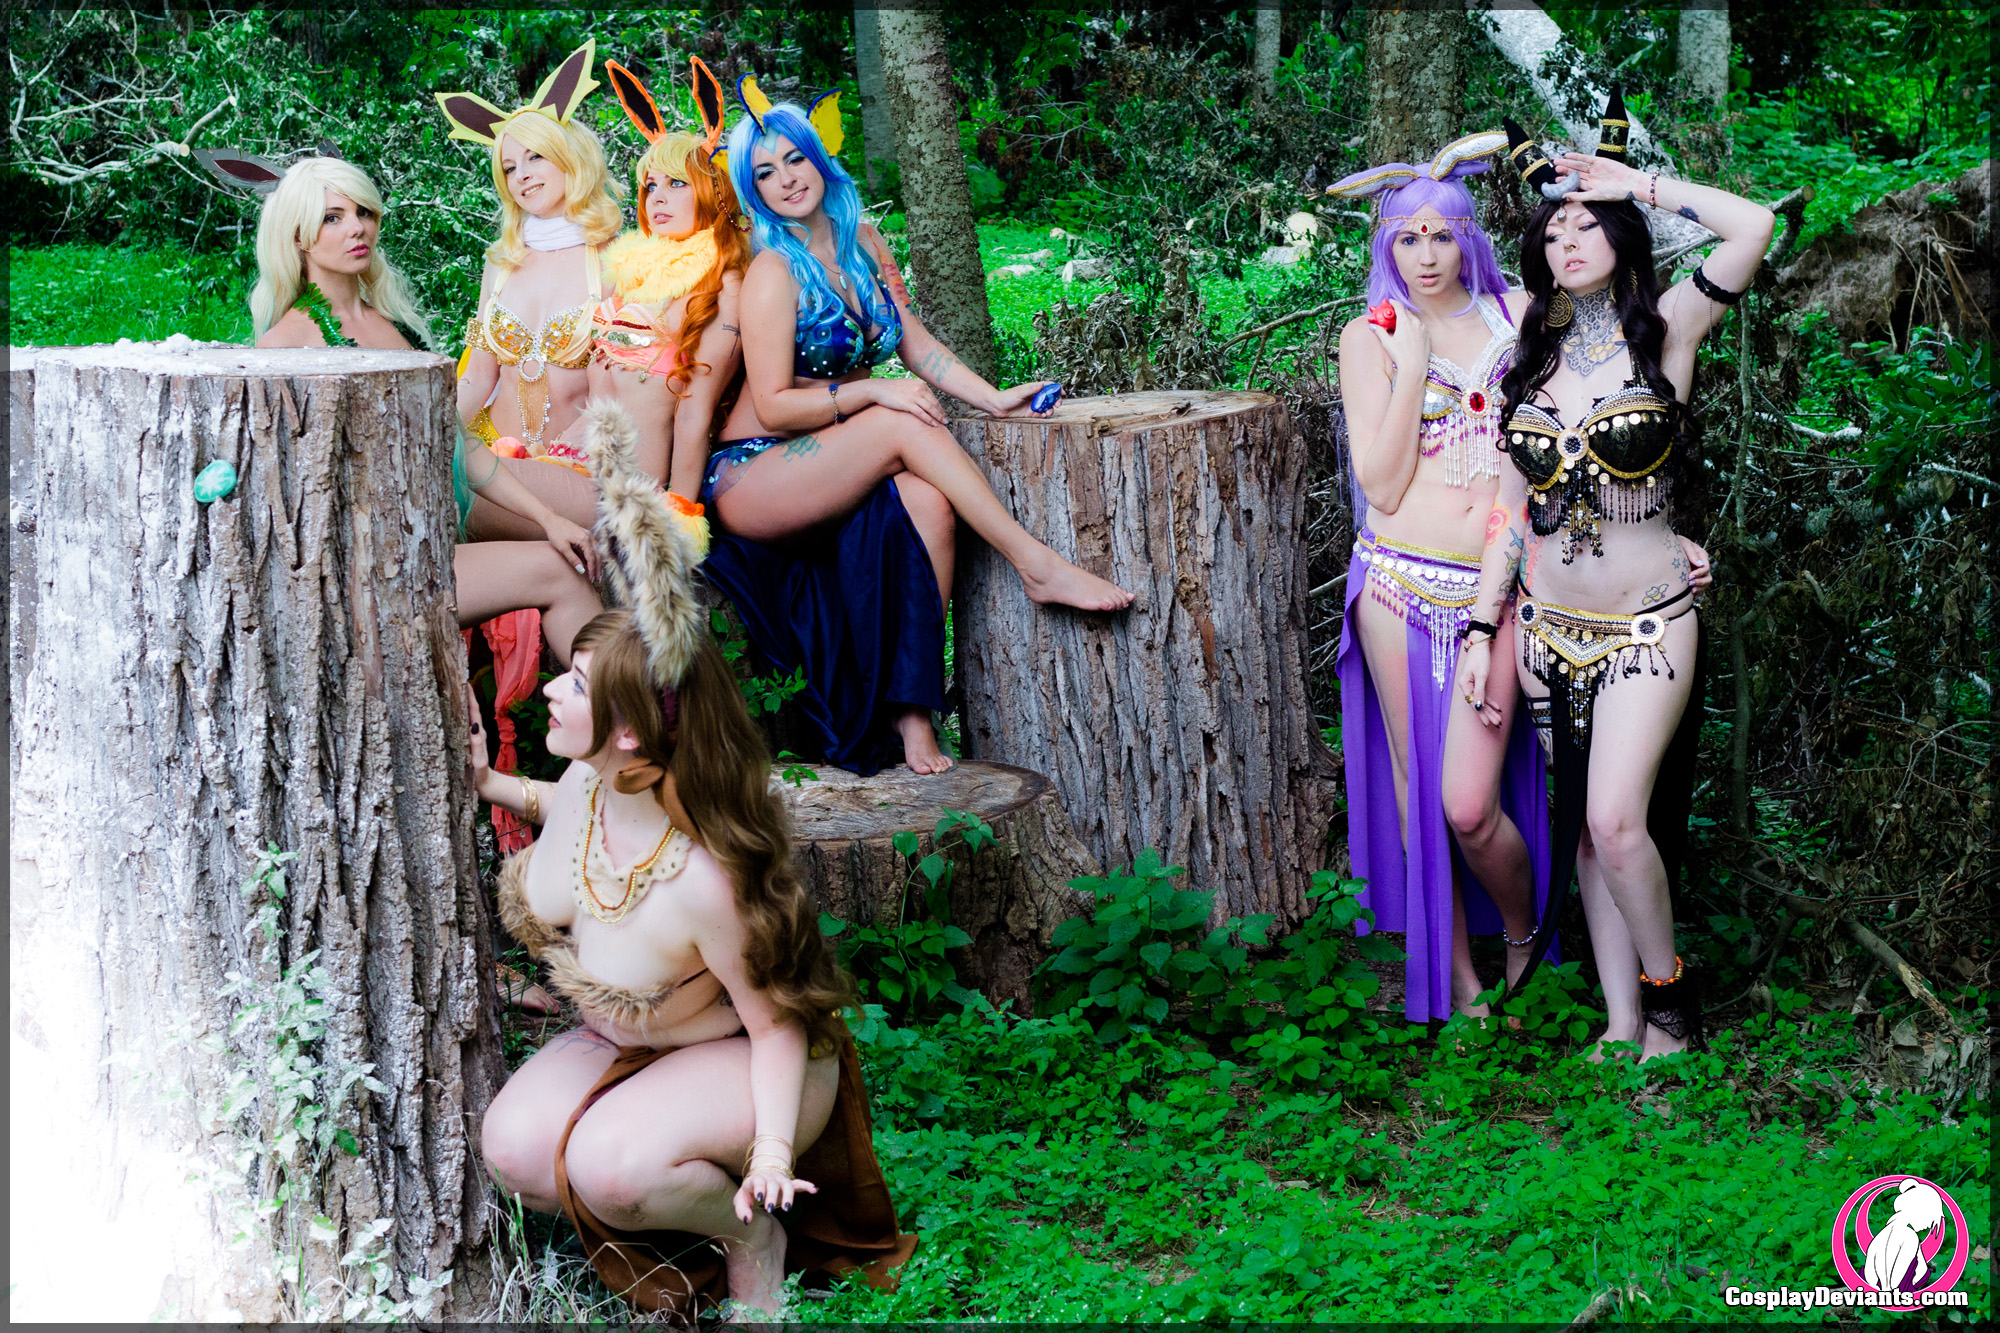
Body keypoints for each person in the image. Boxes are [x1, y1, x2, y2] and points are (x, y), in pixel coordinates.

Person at [473, 399, 917, 1318]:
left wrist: (771, 1155)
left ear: (631, 735)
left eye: (575, 683)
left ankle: (753, 1235)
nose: (551, 687)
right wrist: (494, 786)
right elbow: (572, 814)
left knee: (612, 1167)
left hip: (744, 1059)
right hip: (624, 1042)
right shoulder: (594, 778)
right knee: (514, 1151)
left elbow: (777, 1026)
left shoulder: (703, 879)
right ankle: (661, 1212)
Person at [1458, 90, 1769, 1060]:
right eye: (1553, 230)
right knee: (1587, 836)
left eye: (1587, 224)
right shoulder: (1529, 355)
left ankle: (1670, 1005)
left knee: (1616, 820)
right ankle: (1620, 1019)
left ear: (1623, 236)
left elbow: (1752, 226)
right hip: (1546, 632)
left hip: (1646, 625)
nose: (1568, 240)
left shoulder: (1667, 328)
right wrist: (1480, 628)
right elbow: (1508, 513)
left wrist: (1634, 181)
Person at [703, 77, 1132, 777]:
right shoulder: (773, 271)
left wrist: (993, 399)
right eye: (766, 173)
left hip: (835, 454)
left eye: (795, 159)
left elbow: (914, 342)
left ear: (819, 158)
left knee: (929, 501)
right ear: (754, 191)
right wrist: (874, 391)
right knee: (897, 421)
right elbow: (775, 404)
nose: (787, 179)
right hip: (756, 470)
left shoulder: (864, 241)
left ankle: (912, 715)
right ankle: (1037, 564)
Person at [199, 148, 604, 664]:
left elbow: (460, 446)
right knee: (558, 574)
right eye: (332, 218)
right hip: (364, 569)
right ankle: (615, 715)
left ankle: (610, 712)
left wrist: (549, 519)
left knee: (564, 564)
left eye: (364, 212)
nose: (357, 228)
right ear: (299, 236)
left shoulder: (393, 325)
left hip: (423, 538)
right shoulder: (288, 343)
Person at [1326, 133, 1548, 1025]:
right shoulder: (1368, 337)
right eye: (1408, 238)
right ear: (1387, 245)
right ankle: (1458, 982)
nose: (1426, 255)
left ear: (1469, 238)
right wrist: (1411, 358)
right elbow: (1379, 486)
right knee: (1419, 786)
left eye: (1443, 235)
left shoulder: (1521, 314)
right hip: (1396, 584)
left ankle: (1525, 935)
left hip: (1499, 585)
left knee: (1471, 805)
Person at [436, 41, 626, 537]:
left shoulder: (614, 260)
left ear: (569, 157)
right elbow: (477, 377)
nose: (521, 175)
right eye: (509, 167)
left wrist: (562, 454)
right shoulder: (500, 261)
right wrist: (435, 434)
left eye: (535, 157)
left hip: (576, 466)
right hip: (492, 458)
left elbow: (620, 394)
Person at [587, 54, 750, 503]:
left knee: (463, 481)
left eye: (677, 183)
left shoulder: (724, 283)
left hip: (631, 485)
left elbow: (695, 414)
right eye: (650, 185)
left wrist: (681, 511)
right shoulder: (628, 274)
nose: (657, 197)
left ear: (713, 191)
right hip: (577, 455)